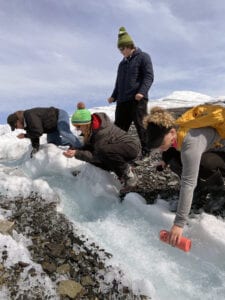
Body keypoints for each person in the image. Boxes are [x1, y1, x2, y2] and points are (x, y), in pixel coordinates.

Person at [144, 106, 225, 246]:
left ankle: (218, 189)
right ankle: (201, 188)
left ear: (172, 132)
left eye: (162, 144)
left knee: (205, 165)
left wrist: (179, 224)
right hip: (213, 145)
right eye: (158, 146)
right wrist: (165, 158)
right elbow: (172, 146)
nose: (161, 148)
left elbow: (188, 183)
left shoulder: (190, 142)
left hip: (222, 148)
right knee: (179, 160)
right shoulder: (178, 129)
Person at [63, 102, 140, 188]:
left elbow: (97, 156)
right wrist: (76, 149)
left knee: (103, 152)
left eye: (78, 126)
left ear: (86, 124)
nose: (77, 129)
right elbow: (90, 148)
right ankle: (93, 175)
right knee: (98, 155)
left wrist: (77, 153)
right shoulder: (93, 128)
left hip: (130, 147)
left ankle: (128, 174)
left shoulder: (101, 133)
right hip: (117, 148)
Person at [107, 26, 154, 159]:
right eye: (119, 49)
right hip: (122, 101)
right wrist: (113, 96)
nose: (121, 52)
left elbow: (148, 76)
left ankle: (146, 151)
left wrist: (142, 92)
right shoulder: (121, 64)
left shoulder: (143, 57)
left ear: (129, 45)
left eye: (122, 49)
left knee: (141, 125)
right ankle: (117, 151)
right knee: (119, 128)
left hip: (137, 99)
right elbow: (118, 82)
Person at [7, 107, 81, 157]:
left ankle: (81, 148)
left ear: (17, 121)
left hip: (59, 115)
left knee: (63, 132)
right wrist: (35, 148)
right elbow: (34, 136)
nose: (17, 128)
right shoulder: (26, 124)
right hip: (52, 127)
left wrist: (25, 135)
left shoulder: (29, 115)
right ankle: (76, 141)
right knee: (53, 143)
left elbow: (38, 131)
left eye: (16, 126)